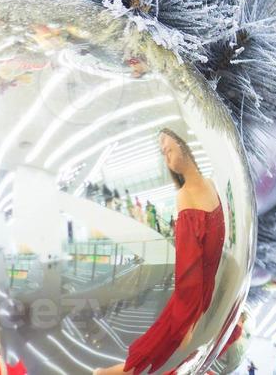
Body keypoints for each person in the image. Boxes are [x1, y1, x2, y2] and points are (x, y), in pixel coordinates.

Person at [95, 128, 227, 375]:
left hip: (200, 296)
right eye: (163, 153)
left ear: (183, 145)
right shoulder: (184, 197)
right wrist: (187, 320)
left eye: (168, 149)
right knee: (155, 354)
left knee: (163, 355)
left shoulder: (208, 185)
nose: (167, 158)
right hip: (190, 300)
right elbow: (189, 265)